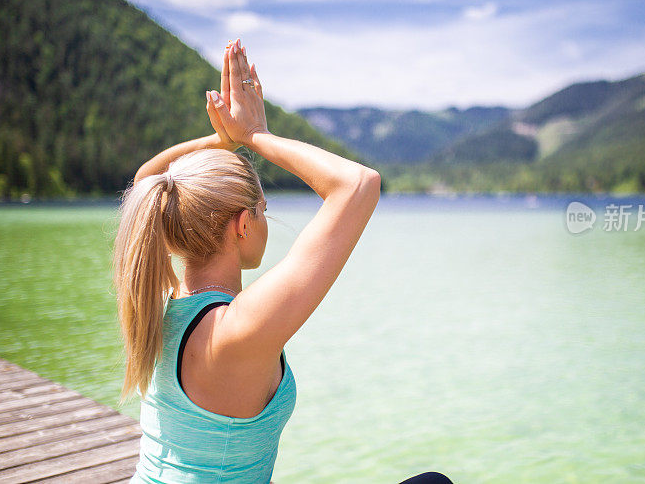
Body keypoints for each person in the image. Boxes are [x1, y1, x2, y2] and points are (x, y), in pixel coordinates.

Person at [115, 39, 452, 483]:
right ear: (242, 225)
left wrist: (222, 140)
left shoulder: (163, 300)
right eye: (263, 209)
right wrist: (255, 135)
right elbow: (358, 184)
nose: (266, 220)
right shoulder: (235, 330)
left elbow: (149, 182)